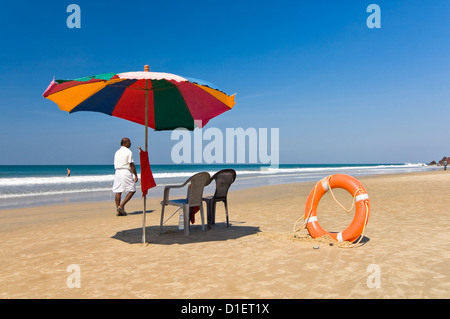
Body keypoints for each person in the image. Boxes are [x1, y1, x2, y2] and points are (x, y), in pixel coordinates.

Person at [112, 137, 138, 216]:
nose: (130, 144)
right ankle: (121, 205)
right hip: (125, 172)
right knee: (132, 189)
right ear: (125, 143)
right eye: (129, 142)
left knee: (118, 191)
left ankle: (118, 210)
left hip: (118, 172)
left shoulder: (117, 152)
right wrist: (135, 175)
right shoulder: (128, 152)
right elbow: (131, 164)